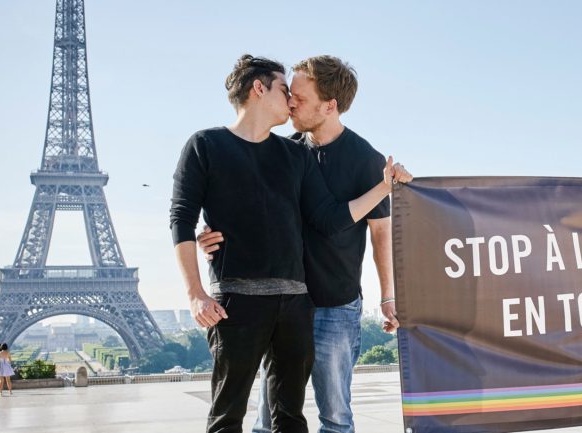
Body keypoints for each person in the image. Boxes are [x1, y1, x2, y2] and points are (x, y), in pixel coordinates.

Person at [169, 54, 412, 433]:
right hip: (261, 302)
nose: (292, 101)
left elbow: (347, 222)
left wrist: (388, 295)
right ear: (258, 89)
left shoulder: (345, 159)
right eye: (288, 92)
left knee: (322, 417)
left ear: (329, 105)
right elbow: (219, 208)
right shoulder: (271, 148)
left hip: (325, 302)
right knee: (252, 418)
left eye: (297, 96)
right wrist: (211, 234)